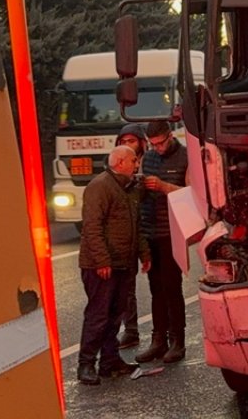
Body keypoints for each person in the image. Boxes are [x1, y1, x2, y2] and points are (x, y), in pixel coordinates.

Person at [76, 145, 151, 386]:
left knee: (114, 315)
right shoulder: (100, 187)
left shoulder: (129, 188)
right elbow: (92, 227)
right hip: (102, 266)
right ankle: (85, 364)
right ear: (119, 163)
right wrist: (102, 261)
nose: (136, 165)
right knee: (98, 315)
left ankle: (109, 361)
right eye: (132, 161)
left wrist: (143, 253)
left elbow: (134, 225)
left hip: (123, 264)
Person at [134, 120, 189, 365]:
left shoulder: (185, 157)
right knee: (155, 288)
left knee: (171, 288)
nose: (157, 148)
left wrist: (165, 187)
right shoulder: (148, 158)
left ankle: (178, 340)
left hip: (172, 232)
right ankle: (159, 340)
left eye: (160, 143)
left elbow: (193, 193)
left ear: (170, 136)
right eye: (152, 144)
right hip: (150, 229)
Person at [114, 124, 147, 350]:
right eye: (123, 141)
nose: (128, 145)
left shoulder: (151, 163)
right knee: (124, 290)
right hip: (125, 238)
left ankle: (161, 335)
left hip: (149, 231)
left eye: (132, 141)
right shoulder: (114, 175)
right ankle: (130, 330)